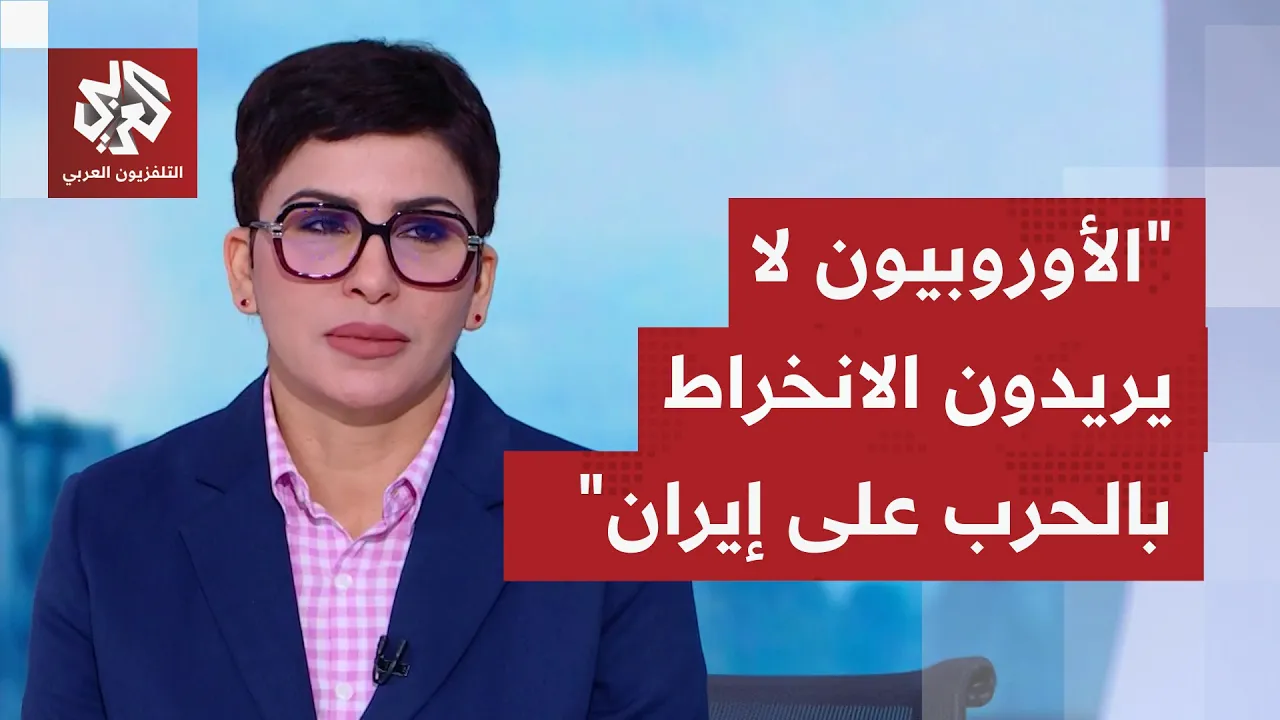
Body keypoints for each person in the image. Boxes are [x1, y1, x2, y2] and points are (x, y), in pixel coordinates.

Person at [22, 40, 708, 720]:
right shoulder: (109, 522)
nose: (373, 279)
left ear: (479, 285)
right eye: (322, 224)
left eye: (425, 232)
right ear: (243, 268)